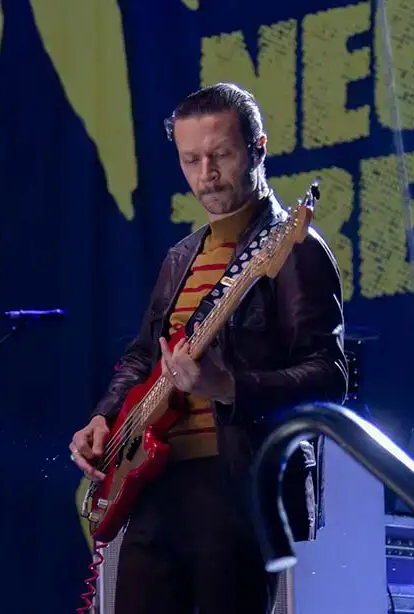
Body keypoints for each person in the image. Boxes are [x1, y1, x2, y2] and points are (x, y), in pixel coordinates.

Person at [69, 82, 348, 614]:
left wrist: (230, 388)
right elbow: (142, 356)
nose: (207, 174)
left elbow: (329, 377)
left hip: (236, 488)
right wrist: (105, 417)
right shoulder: (180, 257)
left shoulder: (293, 247)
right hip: (156, 484)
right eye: (191, 159)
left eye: (220, 155)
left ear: (258, 148)